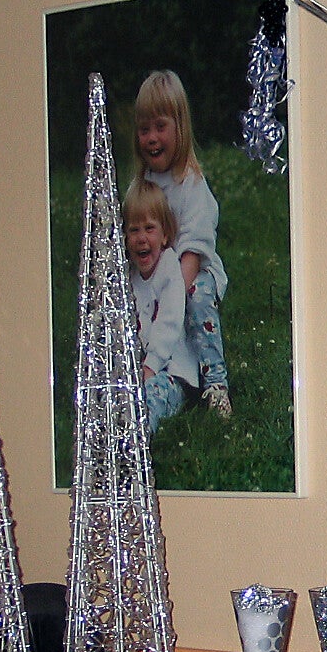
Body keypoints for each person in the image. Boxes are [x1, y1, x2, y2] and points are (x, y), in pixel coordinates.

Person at [134, 70, 232, 417]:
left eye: (160, 127)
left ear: (180, 128)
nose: (151, 138)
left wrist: (169, 296)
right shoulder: (142, 186)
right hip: (154, 281)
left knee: (197, 293)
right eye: (144, 129)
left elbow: (193, 249)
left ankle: (215, 381)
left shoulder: (191, 186)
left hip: (190, 275)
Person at [123, 179, 198, 434]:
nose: (141, 238)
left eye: (149, 228)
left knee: (152, 397)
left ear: (165, 235)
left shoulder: (169, 269)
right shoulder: (130, 276)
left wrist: (150, 366)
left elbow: (169, 323)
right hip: (142, 370)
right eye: (134, 230)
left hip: (172, 372)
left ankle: (140, 437)